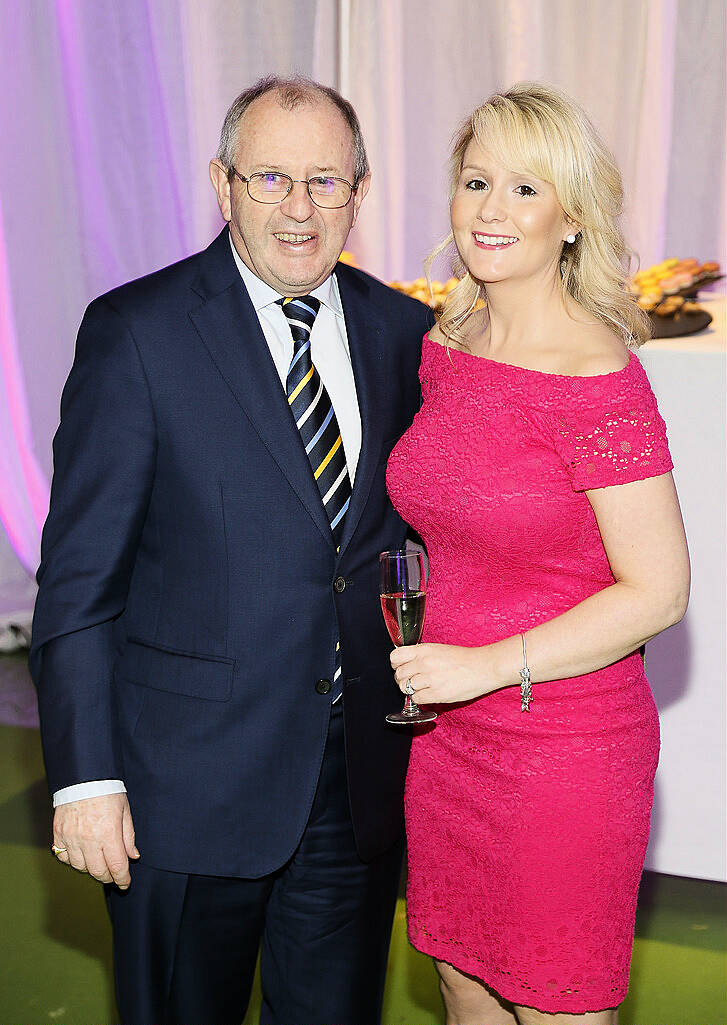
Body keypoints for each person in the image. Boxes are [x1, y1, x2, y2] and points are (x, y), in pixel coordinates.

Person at [30, 75, 433, 1025]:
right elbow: (80, 583)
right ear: (222, 184)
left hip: (353, 789)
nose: (298, 208)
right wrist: (86, 778)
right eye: (270, 178)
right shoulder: (138, 333)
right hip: (182, 795)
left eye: (325, 181)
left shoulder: (405, 333)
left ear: (360, 193)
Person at [386, 82, 690, 1025]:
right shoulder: (449, 341)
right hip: (446, 737)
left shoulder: (596, 378)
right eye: (477, 181)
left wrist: (480, 663)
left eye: (525, 188)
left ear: (570, 217)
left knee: (557, 1006)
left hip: (563, 749)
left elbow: (659, 590)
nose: (490, 209)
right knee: (460, 986)